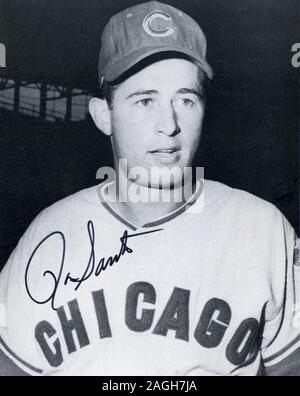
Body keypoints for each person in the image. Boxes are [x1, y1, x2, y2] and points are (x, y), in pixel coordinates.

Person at [0, 1, 299, 376]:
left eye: (185, 99)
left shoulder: (264, 230)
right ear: (103, 115)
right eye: (145, 100)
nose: (169, 124)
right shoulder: (49, 235)